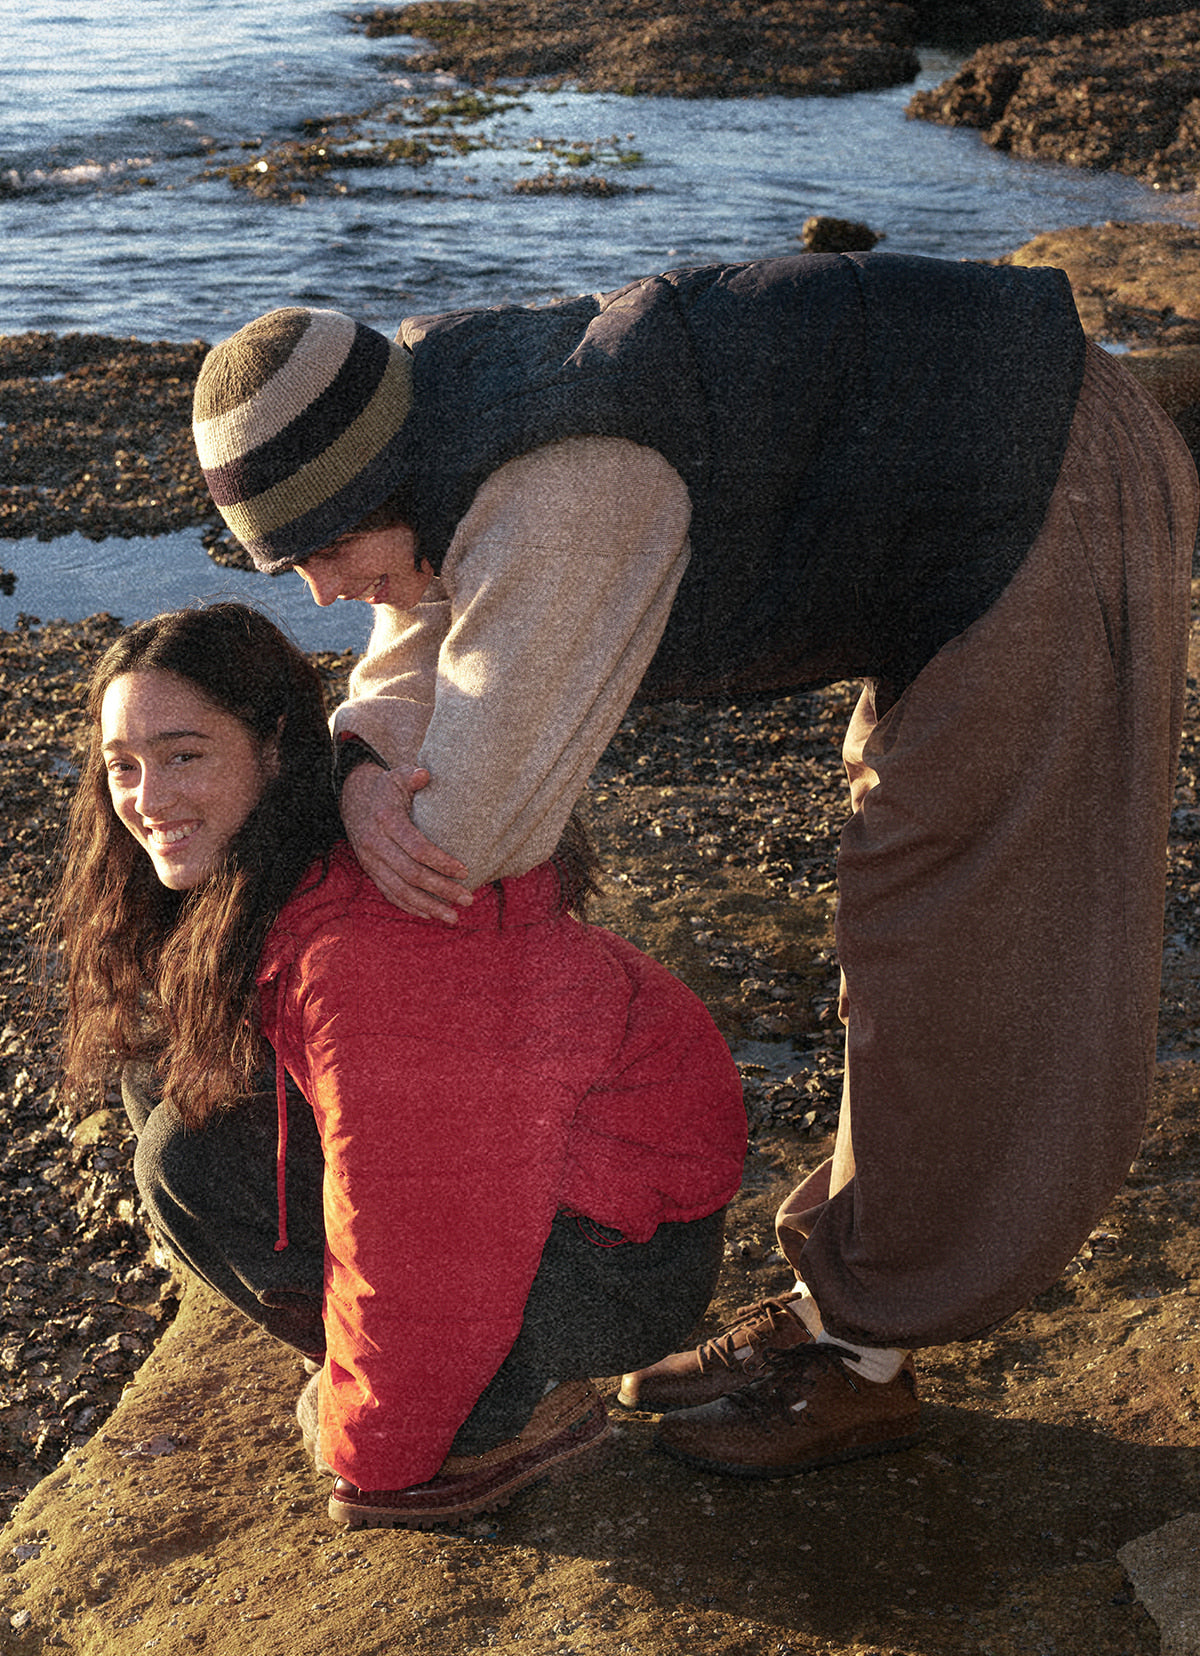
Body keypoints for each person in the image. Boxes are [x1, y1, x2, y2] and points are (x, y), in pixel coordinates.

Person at [192, 251, 1199, 1477]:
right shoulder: (418, 412)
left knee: (963, 931)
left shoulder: (566, 488)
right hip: (950, 489)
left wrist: (371, 800)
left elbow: (475, 832)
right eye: (284, 560)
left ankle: (865, 1354)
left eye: (329, 544)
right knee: (913, 905)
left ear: (386, 473)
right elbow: (416, 633)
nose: (320, 589)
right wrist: (354, 762)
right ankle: (849, 1312)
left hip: (1046, 477)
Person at [51, 602, 747, 1526]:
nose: (149, 798)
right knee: (169, 1081)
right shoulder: (297, 857)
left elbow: (428, 1224)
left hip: (617, 1270)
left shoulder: (361, 951)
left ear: (276, 748)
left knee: (184, 1157)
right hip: (572, 1208)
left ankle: (500, 1413)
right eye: (123, 767)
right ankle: (420, 1378)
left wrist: (370, 1448)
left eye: (186, 756)